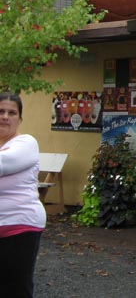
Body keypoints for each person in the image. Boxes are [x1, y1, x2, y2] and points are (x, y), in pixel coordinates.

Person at [0, 92, 46, 297]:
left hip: (20, 225)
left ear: (20, 118)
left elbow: (2, 164)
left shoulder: (26, 143)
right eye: (0, 111)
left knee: (15, 289)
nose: (5, 116)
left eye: (12, 112)